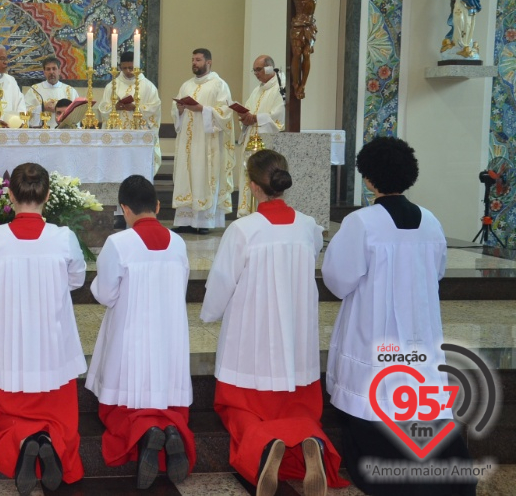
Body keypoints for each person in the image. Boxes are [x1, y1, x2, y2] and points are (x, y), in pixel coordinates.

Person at [322, 137, 477, 496]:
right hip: (420, 327)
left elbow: (338, 279)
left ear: (369, 179)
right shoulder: (431, 221)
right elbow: (437, 271)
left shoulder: (362, 222)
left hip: (372, 328)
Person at [202, 150, 345, 496]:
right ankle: (310, 438)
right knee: (298, 406)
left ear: (252, 187)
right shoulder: (308, 226)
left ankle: (267, 445)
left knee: (238, 407)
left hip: (251, 340)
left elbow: (222, 282)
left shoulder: (243, 229)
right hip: (295, 343)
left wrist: (209, 314)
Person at [0, 163, 87, 496]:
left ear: (9, 196)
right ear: (48, 196)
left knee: (5, 413)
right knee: (59, 413)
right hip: (54, 350)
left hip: (9, 349)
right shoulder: (64, 238)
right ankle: (49, 439)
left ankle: (23, 440)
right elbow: (76, 280)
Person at [86, 175, 194, 489]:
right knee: (168, 401)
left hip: (129, 341)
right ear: (158, 206)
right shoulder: (178, 243)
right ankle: (169, 429)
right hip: (169, 340)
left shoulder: (119, 243)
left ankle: (148, 434)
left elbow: (105, 294)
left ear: (124, 208)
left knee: (116, 408)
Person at [252, 0, 345, 99]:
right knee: (296, 54)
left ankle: (303, 84)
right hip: (297, 26)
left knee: (306, 54)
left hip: (310, 26)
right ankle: (296, 83)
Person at [171, 48, 235, 234]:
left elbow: (225, 112)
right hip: (187, 142)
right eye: (192, 59)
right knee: (186, 176)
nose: (194, 63)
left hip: (207, 143)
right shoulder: (186, 85)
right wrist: (180, 109)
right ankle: (184, 220)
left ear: (209, 62)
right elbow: (176, 113)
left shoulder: (219, 85)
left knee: (203, 176)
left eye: (198, 60)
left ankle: (204, 222)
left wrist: (202, 109)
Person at [236, 55, 286, 217]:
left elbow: (279, 116)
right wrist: (244, 118)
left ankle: (264, 211)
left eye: (258, 69)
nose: (256, 73)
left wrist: (256, 117)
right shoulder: (257, 90)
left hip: (266, 142)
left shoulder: (281, 86)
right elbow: (248, 110)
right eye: (254, 70)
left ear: (270, 68)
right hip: (252, 139)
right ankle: (248, 212)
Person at [97, 51, 162, 172]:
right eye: (124, 68)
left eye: (131, 68)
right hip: (117, 136)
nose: (128, 71)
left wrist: (136, 108)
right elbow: (103, 108)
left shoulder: (148, 86)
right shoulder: (111, 86)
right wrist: (115, 107)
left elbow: (155, 108)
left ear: (137, 67)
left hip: (139, 137)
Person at [24, 57, 78, 127]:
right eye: (48, 69)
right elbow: (24, 112)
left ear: (59, 71)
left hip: (65, 132)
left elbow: (77, 114)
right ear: (44, 72)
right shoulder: (34, 90)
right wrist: (43, 107)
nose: (51, 72)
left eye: (54, 68)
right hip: (41, 132)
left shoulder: (70, 91)